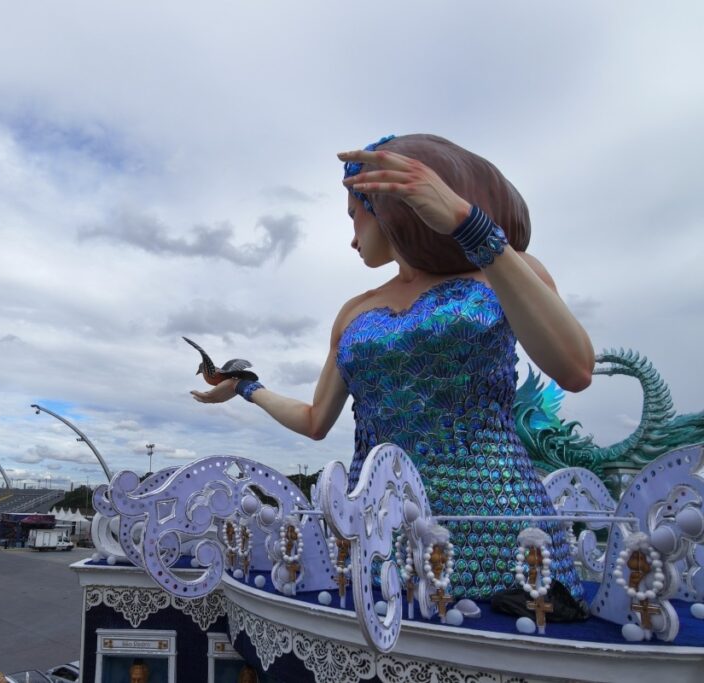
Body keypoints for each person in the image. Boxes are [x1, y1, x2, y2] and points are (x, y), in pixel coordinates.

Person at [192, 134, 594, 601]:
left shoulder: (502, 269)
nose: (351, 236)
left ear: (386, 206)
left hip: (503, 537)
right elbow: (315, 420)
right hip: (380, 542)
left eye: (354, 216)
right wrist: (244, 385)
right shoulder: (355, 312)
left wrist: (471, 227)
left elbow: (575, 368)